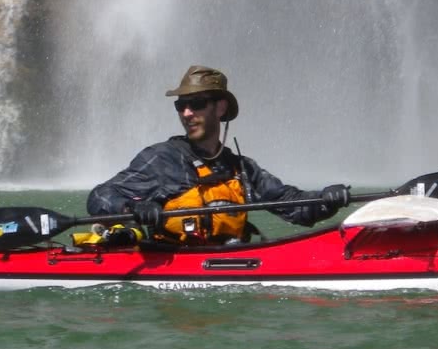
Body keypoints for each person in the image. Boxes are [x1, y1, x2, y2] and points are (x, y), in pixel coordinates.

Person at [86, 65, 350, 244]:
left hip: (227, 264)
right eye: (181, 105)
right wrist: (133, 208)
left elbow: (293, 206)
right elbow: (99, 196)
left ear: (220, 108)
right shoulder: (162, 159)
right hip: (172, 268)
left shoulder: (242, 168)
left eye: (197, 104)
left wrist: (328, 199)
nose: (187, 113)